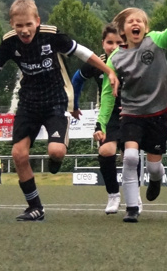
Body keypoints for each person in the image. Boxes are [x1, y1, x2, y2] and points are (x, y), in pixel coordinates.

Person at [0, 0, 119, 222]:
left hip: (54, 102)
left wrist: (109, 71)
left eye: (28, 24)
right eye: (19, 25)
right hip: (28, 104)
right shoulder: (9, 42)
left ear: (37, 21)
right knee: (18, 154)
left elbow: (83, 53)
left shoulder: (51, 35)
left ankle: (57, 155)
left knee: (56, 152)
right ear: (12, 24)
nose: (24, 30)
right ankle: (35, 207)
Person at [97, 0, 167, 223]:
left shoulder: (156, 41)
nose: (135, 23)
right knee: (130, 158)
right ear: (123, 30)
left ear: (146, 27)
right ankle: (131, 208)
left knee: (153, 166)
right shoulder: (115, 58)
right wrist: (101, 122)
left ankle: (155, 178)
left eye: (140, 20)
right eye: (130, 21)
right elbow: (109, 94)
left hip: (158, 113)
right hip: (132, 114)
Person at [71, 24, 142, 214]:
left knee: (130, 155)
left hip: (132, 113)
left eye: (119, 42)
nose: (114, 46)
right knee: (105, 151)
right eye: (109, 42)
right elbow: (77, 80)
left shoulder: (134, 60)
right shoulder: (97, 64)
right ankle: (113, 195)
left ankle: (135, 196)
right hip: (109, 115)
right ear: (102, 43)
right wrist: (74, 105)